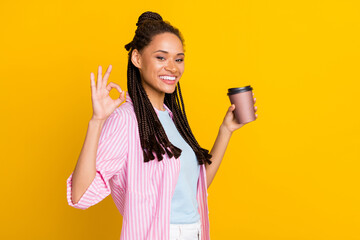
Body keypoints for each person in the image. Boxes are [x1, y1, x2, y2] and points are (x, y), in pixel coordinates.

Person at [66, 11, 257, 240]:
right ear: (137, 59)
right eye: (161, 57)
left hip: (195, 232)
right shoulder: (126, 119)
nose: (173, 68)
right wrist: (97, 122)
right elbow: (81, 195)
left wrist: (225, 131)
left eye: (178, 59)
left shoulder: (171, 117)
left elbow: (195, 188)